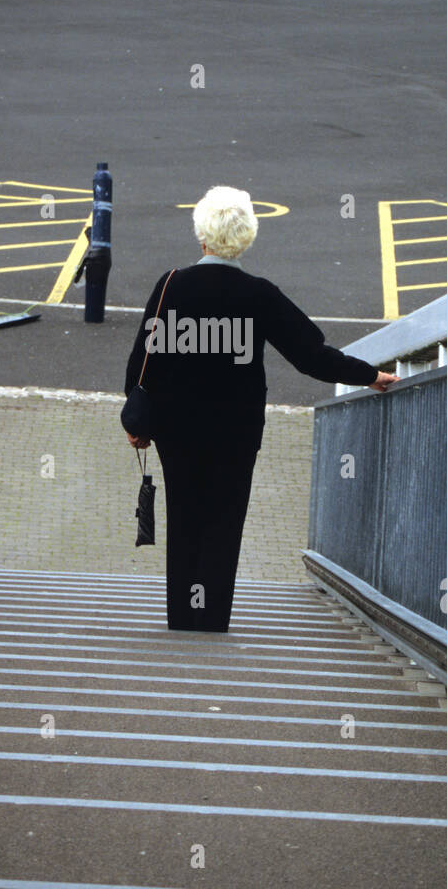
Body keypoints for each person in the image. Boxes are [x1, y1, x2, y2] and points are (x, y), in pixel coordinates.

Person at [123, 186, 397, 633]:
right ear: (246, 236)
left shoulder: (171, 284)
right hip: (235, 431)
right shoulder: (259, 295)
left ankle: (183, 620)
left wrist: (136, 421)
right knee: (225, 521)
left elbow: (143, 361)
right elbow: (311, 355)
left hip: (178, 428)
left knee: (186, 515)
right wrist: (366, 374)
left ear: (202, 234)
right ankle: (211, 621)